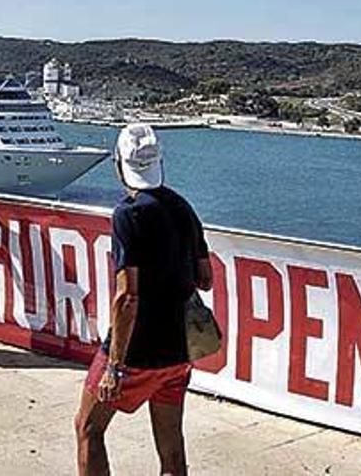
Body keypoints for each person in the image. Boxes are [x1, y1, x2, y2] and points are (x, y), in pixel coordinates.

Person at [75, 124, 212, 476]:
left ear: (119, 164)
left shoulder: (127, 214)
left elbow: (127, 297)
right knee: (171, 448)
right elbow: (205, 279)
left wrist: (115, 367)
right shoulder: (183, 207)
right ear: (159, 162)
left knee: (89, 429)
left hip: (137, 351)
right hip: (179, 350)